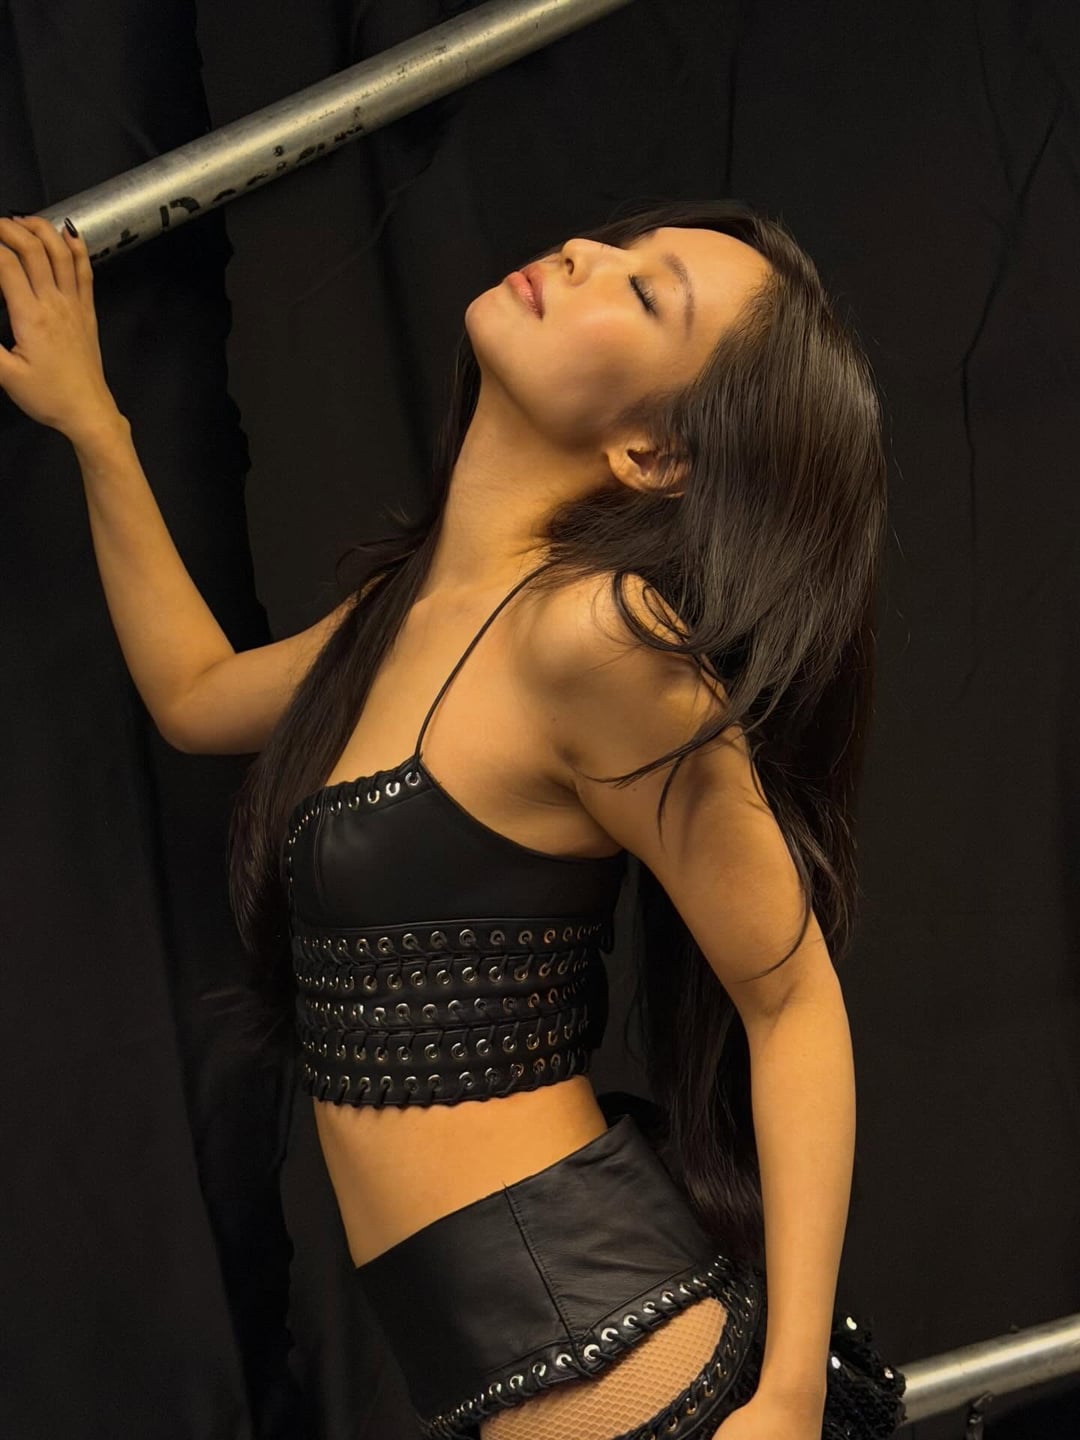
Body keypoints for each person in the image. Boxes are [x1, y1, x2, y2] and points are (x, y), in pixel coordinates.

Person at [0, 199, 906, 1440]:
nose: (587, 254)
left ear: (653, 452)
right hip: (511, 1370)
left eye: (647, 294)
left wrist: (791, 1395)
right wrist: (95, 423)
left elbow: (791, 999)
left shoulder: (600, 638)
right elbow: (196, 694)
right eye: (620, 247)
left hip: (612, 1371)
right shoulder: (407, 608)